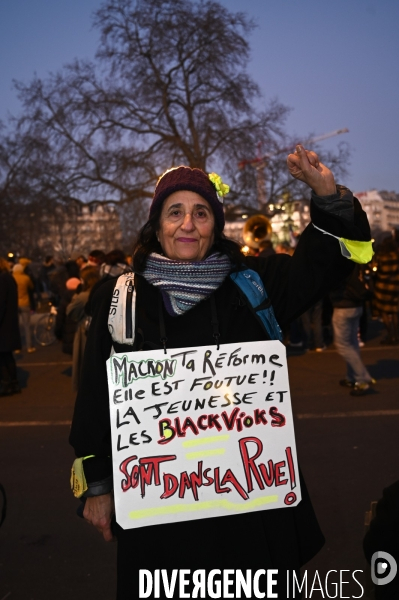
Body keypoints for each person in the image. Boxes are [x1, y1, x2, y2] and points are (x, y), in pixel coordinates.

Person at [69, 146, 372, 599]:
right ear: (156, 225)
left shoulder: (253, 283)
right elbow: (95, 398)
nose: (187, 224)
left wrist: (328, 195)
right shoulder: (121, 297)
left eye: (201, 213)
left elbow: (335, 262)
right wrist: (95, 487)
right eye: (175, 212)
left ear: (216, 224)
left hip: (247, 511)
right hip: (160, 516)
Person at [330, 264, 375, 396]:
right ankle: (352, 377)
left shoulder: (339, 265)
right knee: (352, 342)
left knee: (343, 345)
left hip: (343, 307)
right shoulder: (356, 261)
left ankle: (362, 379)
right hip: (357, 305)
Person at [0, 258, 21, 396]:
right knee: (7, 356)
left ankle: (7, 384)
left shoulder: (2, 280)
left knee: (3, 356)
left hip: (3, 325)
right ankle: (12, 383)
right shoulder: (9, 278)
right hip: (9, 323)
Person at [12, 263, 35, 353]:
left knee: (15, 326)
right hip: (25, 302)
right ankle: (29, 346)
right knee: (27, 325)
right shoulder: (26, 278)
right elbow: (31, 287)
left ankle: (17, 347)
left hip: (14, 303)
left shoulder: (11, 277)